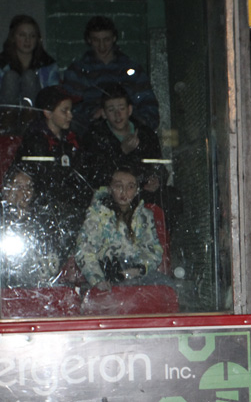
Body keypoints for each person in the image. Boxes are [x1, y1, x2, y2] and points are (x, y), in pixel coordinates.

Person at [15, 85, 90, 262]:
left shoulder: (72, 139)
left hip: (71, 206)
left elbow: (83, 175)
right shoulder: (35, 140)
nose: (70, 115)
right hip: (46, 210)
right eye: (64, 111)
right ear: (48, 113)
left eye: (71, 110)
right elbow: (41, 184)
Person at [62, 16, 159, 136]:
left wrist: (132, 121)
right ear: (89, 40)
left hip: (129, 132)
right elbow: (68, 109)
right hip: (91, 134)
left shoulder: (131, 69)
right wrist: (93, 114)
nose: (102, 46)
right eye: (96, 40)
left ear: (114, 38)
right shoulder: (78, 71)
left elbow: (148, 105)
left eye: (106, 40)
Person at [74, 165, 164, 291]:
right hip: (106, 275)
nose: (124, 192)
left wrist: (138, 270)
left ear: (137, 190)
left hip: (137, 275)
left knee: (166, 287)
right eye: (118, 186)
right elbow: (84, 250)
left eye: (130, 187)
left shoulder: (144, 216)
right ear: (110, 188)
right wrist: (98, 280)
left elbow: (154, 251)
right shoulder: (97, 214)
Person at [80, 83, 165, 195]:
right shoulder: (94, 137)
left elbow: (159, 166)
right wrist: (121, 151)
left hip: (142, 193)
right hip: (110, 196)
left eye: (122, 108)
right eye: (111, 110)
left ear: (129, 110)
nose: (118, 115)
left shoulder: (145, 134)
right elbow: (94, 177)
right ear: (104, 114)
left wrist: (156, 179)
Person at [0, 165, 60, 287]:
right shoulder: (3, 221)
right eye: (19, 187)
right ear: (6, 190)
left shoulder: (41, 222)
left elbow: (52, 258)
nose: (25, 192)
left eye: (29, 187)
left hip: (35, 290)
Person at [0, 15, 60, 109]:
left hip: (38, 116)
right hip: (4, 117)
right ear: (13, 38)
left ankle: (29, 117)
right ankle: (8, 118)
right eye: (22, 35)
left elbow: (54, 96)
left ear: (37, 39)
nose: (27, 40)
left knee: (29, 77)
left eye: (32, 36)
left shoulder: (48, 65)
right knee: (10, 77)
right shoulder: (2, 63)